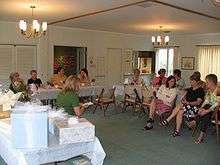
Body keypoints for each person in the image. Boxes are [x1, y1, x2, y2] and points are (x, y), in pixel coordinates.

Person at [195, 74, 218, 144]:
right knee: (205, 112)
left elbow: (217, 104)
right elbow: (206, 101)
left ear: (211, 82)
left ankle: (195, 120)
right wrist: (201, 108)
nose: (205, 83)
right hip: (209, 110)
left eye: (207, 82)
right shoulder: (209, 91)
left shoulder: (218, 90)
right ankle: (201, 136)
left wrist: (206, 111)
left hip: (217, 111)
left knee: (206, 111)